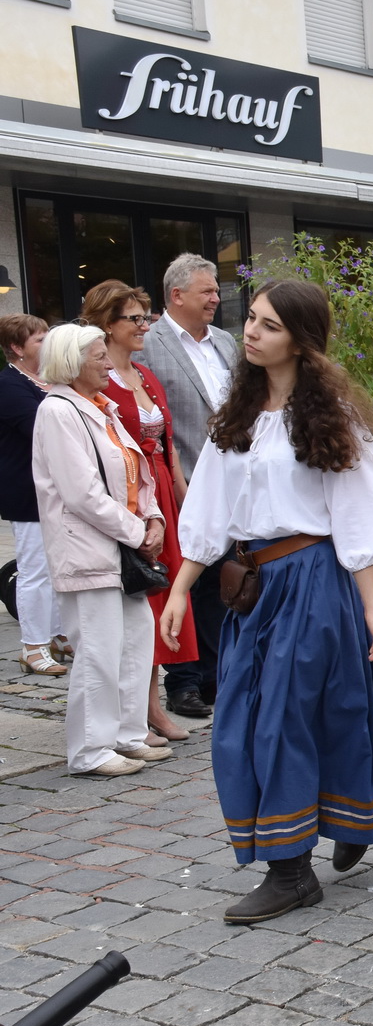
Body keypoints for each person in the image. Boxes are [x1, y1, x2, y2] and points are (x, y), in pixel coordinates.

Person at [162, 279, 373, 923]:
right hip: (253, 588)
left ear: (301, 339)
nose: (250, 332)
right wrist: (181, 589)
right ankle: (345, 815)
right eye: (250, 319)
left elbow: (356, 513)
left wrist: (372, 609)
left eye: (269, 325)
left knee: (290, 717)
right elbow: (209, 508)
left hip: (314, 580)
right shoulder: (237, 413)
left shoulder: (332, 416)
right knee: (242, 721)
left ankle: (291, 868)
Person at [32, 322, 169, 777]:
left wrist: (154, 519)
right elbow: (81, 493)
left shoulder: (101, 406)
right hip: (89, 550)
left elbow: (137, 469)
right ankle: (90, 750)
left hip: (122, 548)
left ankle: (126, 736)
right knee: (97, 649)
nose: (109, 363)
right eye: (98, 357)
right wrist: (137, 529)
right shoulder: (58, 410)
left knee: (134, 642)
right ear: (72, 363)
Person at [83, 280, 197, 744]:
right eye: (134, 318)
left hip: (161, 497)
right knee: (142, 601)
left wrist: (184, 495)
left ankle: (153, 705)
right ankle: (144, 710)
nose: (143, 325)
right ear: (106, 325)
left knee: (166, 596)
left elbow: (168, 445)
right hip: (129, 497)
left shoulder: (145, 375)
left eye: (144, 316)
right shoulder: (97, 380)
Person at [139, 253, 238, 720]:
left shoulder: (224, 342)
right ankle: (184, 682)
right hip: (185, 483)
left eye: (217, 290)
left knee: (225, 582)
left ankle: (217, 676)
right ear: (176, 296)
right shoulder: (149, 346)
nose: (217, 298)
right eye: (208, 291)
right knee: (189, 580)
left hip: (237, 482)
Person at [1, 314, 65, 676]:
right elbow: (42, 428)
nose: (47, 344)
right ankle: (33, 645)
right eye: (39, 339)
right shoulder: (9, 385)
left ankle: (57, 633)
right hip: (27, 491)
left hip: (55, 490)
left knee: (57, 567)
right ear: (16, 347)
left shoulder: (50, 381)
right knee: (35, 570)